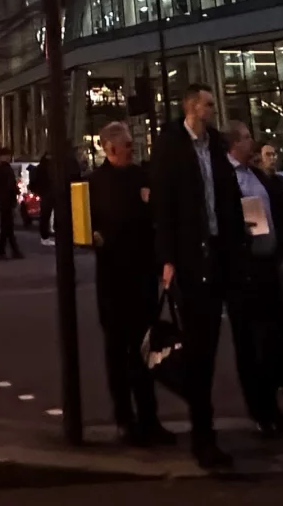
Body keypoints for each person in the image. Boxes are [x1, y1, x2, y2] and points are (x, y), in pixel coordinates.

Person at [150, 83, 245, 470]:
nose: (212, 108)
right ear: (192, 107)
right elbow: (164, 203)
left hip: (219, 253)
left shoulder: (215, 147)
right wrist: (168, 258)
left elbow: (228, 200)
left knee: (209, 345)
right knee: (198, 347)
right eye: (207, 103)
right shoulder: (171, 145)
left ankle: (206, 432)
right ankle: (203, 436)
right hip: (191, 259)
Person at [87, 120, 170, 447]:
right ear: (109, 149)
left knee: (144, 349)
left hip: (140, 276)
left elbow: (157, 217)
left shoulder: (141, 177)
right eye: (127, 147)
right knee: (118, 352)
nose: (132, 151)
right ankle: (125, 418)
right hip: (114, 279)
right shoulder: (94, 183)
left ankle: (148, 418)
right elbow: (88, 228)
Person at [223, 123, 283, 435]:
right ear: (236, 143)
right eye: (248, 137)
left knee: (274, 334)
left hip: (267, 262)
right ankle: (261, 408)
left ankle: (270, 402)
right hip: (246, 266)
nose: (253, 141)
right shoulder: (228, 177)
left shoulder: (255, 175)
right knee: (252, 340)